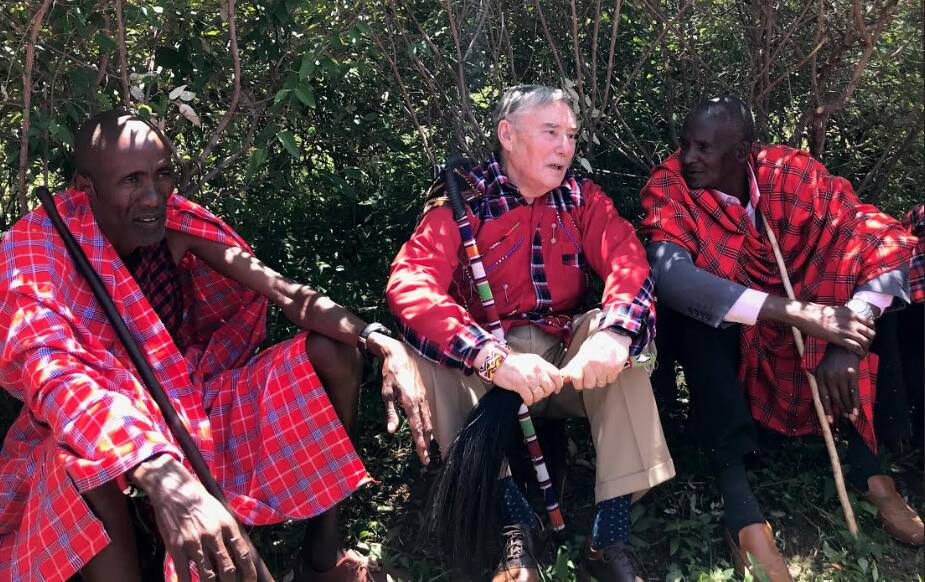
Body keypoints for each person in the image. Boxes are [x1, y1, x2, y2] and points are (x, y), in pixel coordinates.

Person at [0, 110, 418, 582]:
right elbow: (52, 373)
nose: (154, 196)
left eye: (163, 174)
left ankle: (320, 558)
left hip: (185, 395)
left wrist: (375, 336)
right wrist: (162, 474)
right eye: (132, 181)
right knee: (76, 461)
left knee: (333, 349)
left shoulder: (176, 223)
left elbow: (283, 292)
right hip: (104, 424)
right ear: (87, 187)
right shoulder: (37, 249)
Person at [386, 85, 675, 582]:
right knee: (432, 356)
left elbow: (628, 261)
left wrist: (614, 337)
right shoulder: (463, 199)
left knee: (624, 339)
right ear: (508, 135)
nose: (566, 146)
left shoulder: (583, 198)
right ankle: (509, 522)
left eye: (570, 135)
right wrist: (492, 358)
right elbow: (411, 283)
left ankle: (609, 534)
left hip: (561, 364)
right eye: (551, 133)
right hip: (491, 369)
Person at [640, 95, 922, 581]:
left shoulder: (789, 174)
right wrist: (800, 315)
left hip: (809, 315)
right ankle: (739, 501)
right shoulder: (670, 187)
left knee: (870, 288)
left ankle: (867, 465)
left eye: (704, 148)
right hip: (747, 330)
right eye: (685, 144)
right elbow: (673, 278)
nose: (688, 157)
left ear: (744, 150)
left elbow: (875, 234)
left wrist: (845, 333)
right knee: (696, 317)